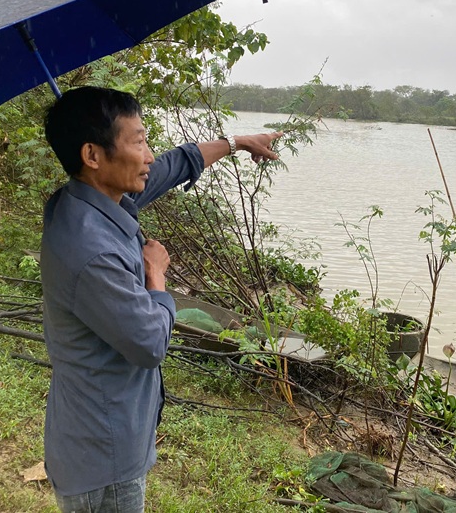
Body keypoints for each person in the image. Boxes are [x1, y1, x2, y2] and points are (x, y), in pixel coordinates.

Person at [40, 86, 281, 512]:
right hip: (104, 455)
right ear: (93, 155)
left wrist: (236, 143)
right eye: (138, 141)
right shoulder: (91, 251)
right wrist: (157, 278)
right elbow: (151, 343)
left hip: (101, 430)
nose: (149, 154)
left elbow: (172, 166)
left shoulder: (90, 201)